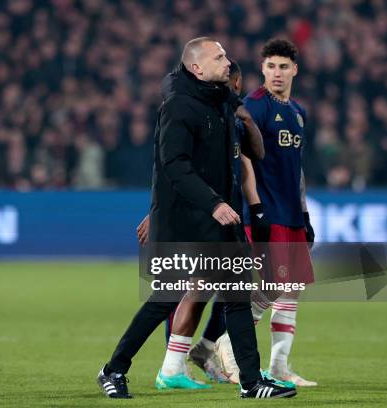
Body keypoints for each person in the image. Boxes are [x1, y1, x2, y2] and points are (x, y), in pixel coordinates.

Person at [98, 37, 294, 399]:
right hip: (189, 220)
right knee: (166, 298)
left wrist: (243, 117)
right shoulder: (178, 107)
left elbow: (251, 152)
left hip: (224, 220)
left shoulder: (223, 103)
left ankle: (251, 383)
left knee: (236, 296)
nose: (227, 60)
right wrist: (213, 203)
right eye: (219, 56)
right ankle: (113, 370)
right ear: (197, 68)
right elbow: (174, 166)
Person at [216, 38, 317, 387]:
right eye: (271, 66)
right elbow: (242, 156)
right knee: (275, 284)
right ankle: (227, 342)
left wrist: (304, 214)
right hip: (267, 210)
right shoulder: (255, 105)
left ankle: (279, 366)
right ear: (262, 69)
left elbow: (297, 168)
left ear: (294, 70)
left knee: (293, 287)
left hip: (291, 212)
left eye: (283, 67)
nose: (277, 73)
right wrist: (255, 206)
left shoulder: (299, 113)